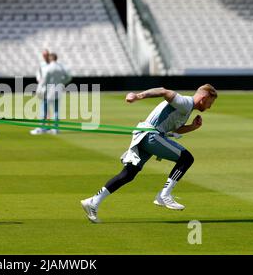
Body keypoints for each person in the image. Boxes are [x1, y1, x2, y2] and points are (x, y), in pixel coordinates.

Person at [81, 84, 218, 223]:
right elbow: (163, 91)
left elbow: (174, 129)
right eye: (210, 103)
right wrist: (137, 96)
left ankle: (93, 202)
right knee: (186, 159)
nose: (209, 107)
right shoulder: (185, 103)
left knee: (128, 174)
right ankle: (164, 195)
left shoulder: (187, 109)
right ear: (204, 98)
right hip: (151, 136)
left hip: (147, 136)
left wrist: (192, 127)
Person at [31, 53, 72, 135]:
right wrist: (62, 82)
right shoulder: (60, 67)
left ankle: (42, 128)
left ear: (50, 59)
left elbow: (44, 80)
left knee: (44, 109)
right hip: (58, 90)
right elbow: (68, 77)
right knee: (56, 110)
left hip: (48, 91)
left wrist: (39, 88)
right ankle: (56, 129)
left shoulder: (49, 68)